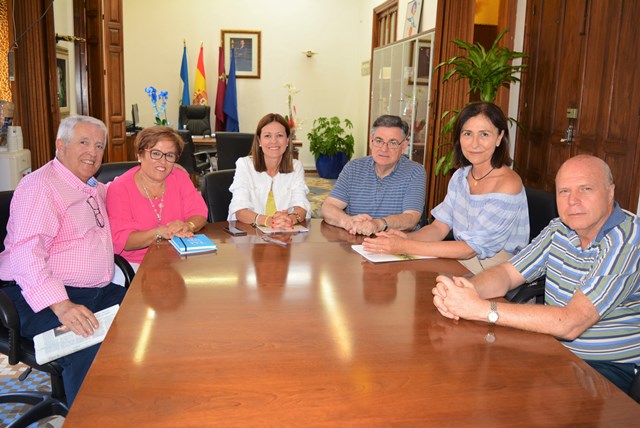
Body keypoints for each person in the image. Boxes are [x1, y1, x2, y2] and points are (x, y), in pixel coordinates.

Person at [432, 155, 640, 396]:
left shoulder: (627, 240)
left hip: (606, 367)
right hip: (552, 347)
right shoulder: (559, 229)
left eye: (586, 189)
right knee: (468, 379)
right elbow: (506, 275)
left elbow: (572, 323)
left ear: (610, 192)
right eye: (564, 191)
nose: (573, 200)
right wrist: (461, 291)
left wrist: (482, 309)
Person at [0, 115, 127, 406]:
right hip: (35, 294)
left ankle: (130, 409)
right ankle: (89, 418)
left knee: (142, 322)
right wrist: (62, 305)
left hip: (95, 291)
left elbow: (122, 191)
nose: (93, 152)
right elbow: (26, 255)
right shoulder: (41, 187)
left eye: (99, 145)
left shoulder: (91, 186)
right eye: (83, 142)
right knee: (88, 347)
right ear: (60, 145)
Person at [363, 102, 529, 274]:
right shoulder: (461, 176)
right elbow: (439, 227)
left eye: (484, 134)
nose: (474, 143)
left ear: (499, 138)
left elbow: (469, 248)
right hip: (460, 260)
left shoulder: (508, 184)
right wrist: (404, 237)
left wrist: (404, 246)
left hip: (497, 270)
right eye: (467, 134)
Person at [106, 126, 207, 268]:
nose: (163, 161)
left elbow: (199, 213)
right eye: (155, 153)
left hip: (179, 258)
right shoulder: (119, 189)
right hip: (137, 265)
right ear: (139, 155)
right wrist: (159, 232)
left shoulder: (179, 177)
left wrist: (188, 225)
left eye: (169, 155)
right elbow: (124, 241)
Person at [321, 115, 426, 236]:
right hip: (355, 241)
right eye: (379, 141)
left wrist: (378, 224)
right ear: (371, 141)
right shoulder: (353, 168)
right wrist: (349, 222)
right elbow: (327, 207)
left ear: (403, 146)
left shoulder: (415, 172)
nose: (384, 148)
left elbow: (411, 218)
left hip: (395, 244)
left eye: (393, 142)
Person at [228, 113, 310, 229]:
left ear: (287, 140)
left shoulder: (296, 166)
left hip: (286, 234)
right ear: (259, 141)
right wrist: (268, 221)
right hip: (251, 235)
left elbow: (301, 205)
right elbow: (239, 209)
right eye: (267, 136)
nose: (274, 141)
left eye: (279, 135)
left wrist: (290, 219)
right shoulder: (244, 165)